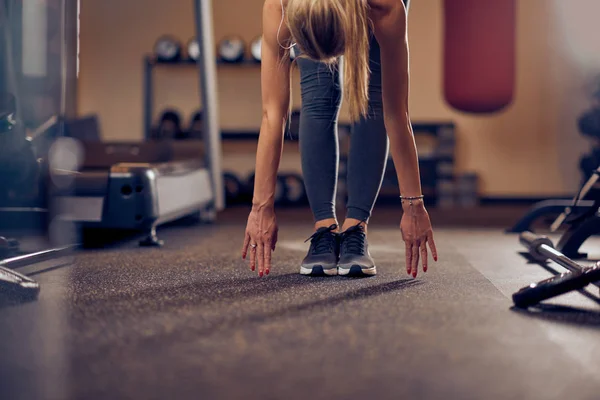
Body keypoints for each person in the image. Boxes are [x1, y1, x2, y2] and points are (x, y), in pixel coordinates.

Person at [242, 0, 438, 278]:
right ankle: (325, 227)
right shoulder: (280, 7)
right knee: (318, 95)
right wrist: (260, 207)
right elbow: (272, 114)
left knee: (371, 96)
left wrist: (414, 206)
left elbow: (395, 112)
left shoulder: (385, 8)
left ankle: (356, 227)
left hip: (365, 10)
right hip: (315, 11)